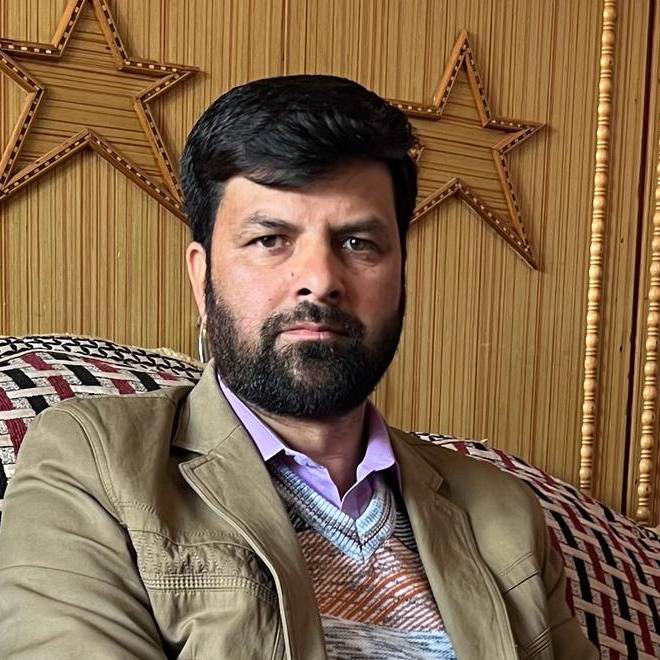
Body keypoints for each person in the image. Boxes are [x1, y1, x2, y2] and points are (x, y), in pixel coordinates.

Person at [0, 75, 596, 659]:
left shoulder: (503, 511)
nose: (320, 279)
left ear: (401, 279)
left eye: (359, 243)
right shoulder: (95, 462)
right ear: (202, 280)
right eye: (271, 239)